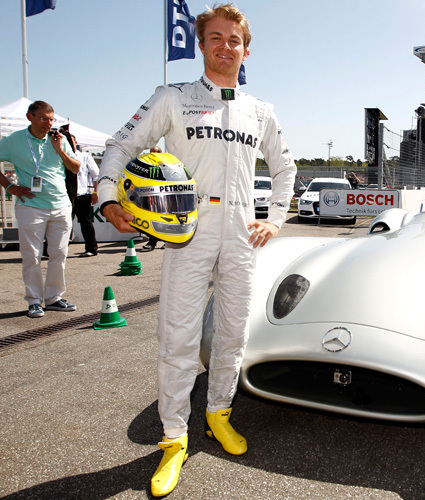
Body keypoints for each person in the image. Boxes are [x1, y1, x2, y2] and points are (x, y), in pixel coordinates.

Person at [97, 4, 296, 496]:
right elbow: (119, 147)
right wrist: (106, 198)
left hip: (241, 232)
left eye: (234, 40)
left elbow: (286, 168)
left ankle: (219, 415)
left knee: (232, 332)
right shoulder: (172, 98)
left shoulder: (260, 110)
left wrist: (274, 219)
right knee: (179, 338)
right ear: (201, 43)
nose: (225, 46)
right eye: (216, 37)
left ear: (245, 50)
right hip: (187, 230)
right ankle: (173, 439)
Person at [0, 100, 81, 318]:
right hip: (31, 207)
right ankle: (34, 300)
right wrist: (10, 186)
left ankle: (54, 297)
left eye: (52, 119)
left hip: (61, 204)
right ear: (30, 117)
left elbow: (76, 167)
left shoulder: (58, 140)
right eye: (44, 118)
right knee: (31, 256)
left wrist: (60, 150)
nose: (48, 123)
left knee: (59, 254)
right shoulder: (14, 140)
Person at [70, 135, 99, 256]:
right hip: (66, 194)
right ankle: (49, 249)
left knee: (85, 221)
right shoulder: (59, 156)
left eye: (70, 141)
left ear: (76, 142)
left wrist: (95, 193)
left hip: (82, 194)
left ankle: (91, 248)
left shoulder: (85, 156)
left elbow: (96, 175)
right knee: (61, 223)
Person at [141, 146, 164, 252]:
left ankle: (166, 241)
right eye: (151, 152)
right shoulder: (146, 164)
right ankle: (152, 242)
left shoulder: (165, 163)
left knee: (165, 218)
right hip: (150, 194)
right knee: (152, 218)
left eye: (155, 152)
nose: (152, 154)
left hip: (163, 195)